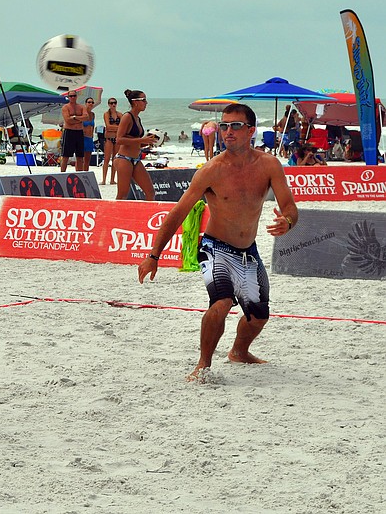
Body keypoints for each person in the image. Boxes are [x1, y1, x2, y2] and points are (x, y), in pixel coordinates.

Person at [137, 103, 298, 383]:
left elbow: (289, 206)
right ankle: (203, 364)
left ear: (251, 130)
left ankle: (239, 351)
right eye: (223, 126)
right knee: (221, 302)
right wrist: (154, 254)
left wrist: (288, 221)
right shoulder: (211, 170)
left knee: (258, 317)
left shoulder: (269, 165)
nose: (228, 132)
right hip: (215, 248)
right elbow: (178, 212)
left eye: (235, 126)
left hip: (248, 252)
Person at [114, 89, 157, 200]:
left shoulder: (138, 118)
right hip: (124, 159)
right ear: (135, 102)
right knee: (122, 194)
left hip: (135, 159)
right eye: (144, 100)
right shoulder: (127, 117)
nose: (146, 103)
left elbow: (134, 141)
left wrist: (147, 143)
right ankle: (115, 216)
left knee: (150, 192)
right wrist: (141, 140)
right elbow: (119, 139)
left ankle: (146, 216)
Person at [59, 91, 87, 172]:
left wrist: (74, 117)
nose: (73, 97)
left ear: (76, 96)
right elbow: (67, 120)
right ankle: (62, 174)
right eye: (71, 96)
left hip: (79, 132)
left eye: (74, 96)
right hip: (69, 132)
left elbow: (86, 117)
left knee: (80, 156)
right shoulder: (66, 107)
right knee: (65, 156)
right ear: (68, 97)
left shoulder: (81, 107)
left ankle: (80, 174)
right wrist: (79, 119)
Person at [100, 97, 122, 185]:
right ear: (109, 104)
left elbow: (123, 127)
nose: (113, 104)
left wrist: (114, 128)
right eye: (111, 103)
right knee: (106, 159)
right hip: (108, 139)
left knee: (115, 159)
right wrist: (117, 128)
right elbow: (108, 126)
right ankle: (104, 179)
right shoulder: (106, 114)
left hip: (116, 139)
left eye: (115, 103)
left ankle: (112, 179)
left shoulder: (120, 114)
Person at [80, 97, 97, 172]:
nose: (91, 104)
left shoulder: (93, 114)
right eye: (89, 102)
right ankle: (79, 173)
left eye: (92, 102)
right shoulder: (82, 114)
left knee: (87, 160)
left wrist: (92, 134)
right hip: (83, 138)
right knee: (80, 159)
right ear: (85, 103)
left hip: (90, 138)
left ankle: (85, 174)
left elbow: (93, 126)